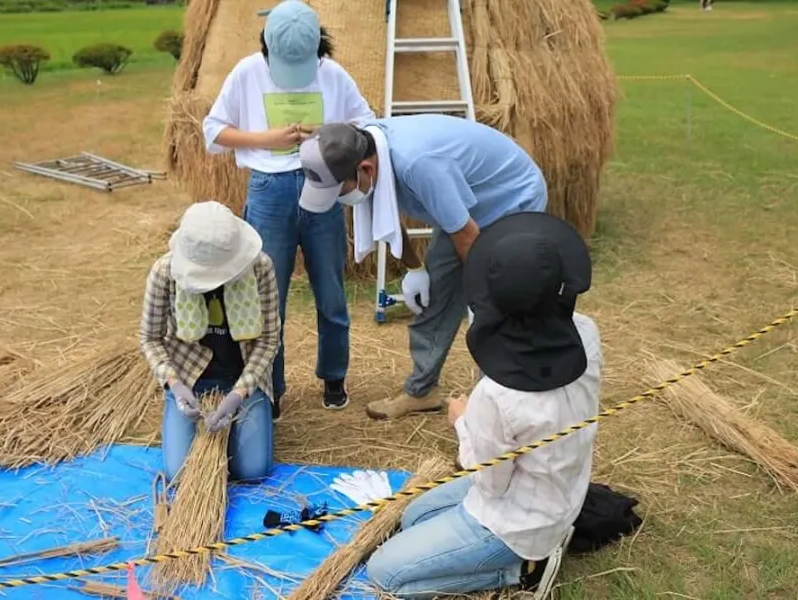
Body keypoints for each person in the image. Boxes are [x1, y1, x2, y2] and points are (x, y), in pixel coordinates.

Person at [365, 211, 603, 599]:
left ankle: (519, 571)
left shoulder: (498, 395)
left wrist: (462, 423)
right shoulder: (587, 332)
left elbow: (490, 482)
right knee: (413, 517)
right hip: (561, 491)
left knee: (386, 574)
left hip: (516, 524)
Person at [297, 114, 548, 420]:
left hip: (509, 200)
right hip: (464, 209)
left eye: (339, 190)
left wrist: (484, 296)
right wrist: (415, 269)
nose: (339, 198)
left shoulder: (419, 164)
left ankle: (495, 412)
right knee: (436, 293)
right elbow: (385, 212)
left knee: (496, 312)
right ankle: (422, 391)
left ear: (365, 169)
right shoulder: (366, 151)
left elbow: (468, 237)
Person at [202, 0, 376, 415]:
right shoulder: (247, 72)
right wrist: (267, 139)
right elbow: (213, 131)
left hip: (323, 187)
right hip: (269, 191)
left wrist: (329, 132)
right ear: (266, 46)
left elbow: (369, 124)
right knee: (268, 297)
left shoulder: (332, 74)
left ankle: (334, 377)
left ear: (319, 46)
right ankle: (271, 387)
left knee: (331, 292)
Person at [139, 201, 280, 483]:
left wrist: (237, 396)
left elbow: (267, 341)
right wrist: (176, 386)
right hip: (189, 379)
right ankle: (193, 424)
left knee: (252, 472)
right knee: (178, 474)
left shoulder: (260, 268)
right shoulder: (165, 272)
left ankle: (243, 422)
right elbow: (150, 338)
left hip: (241, 378)